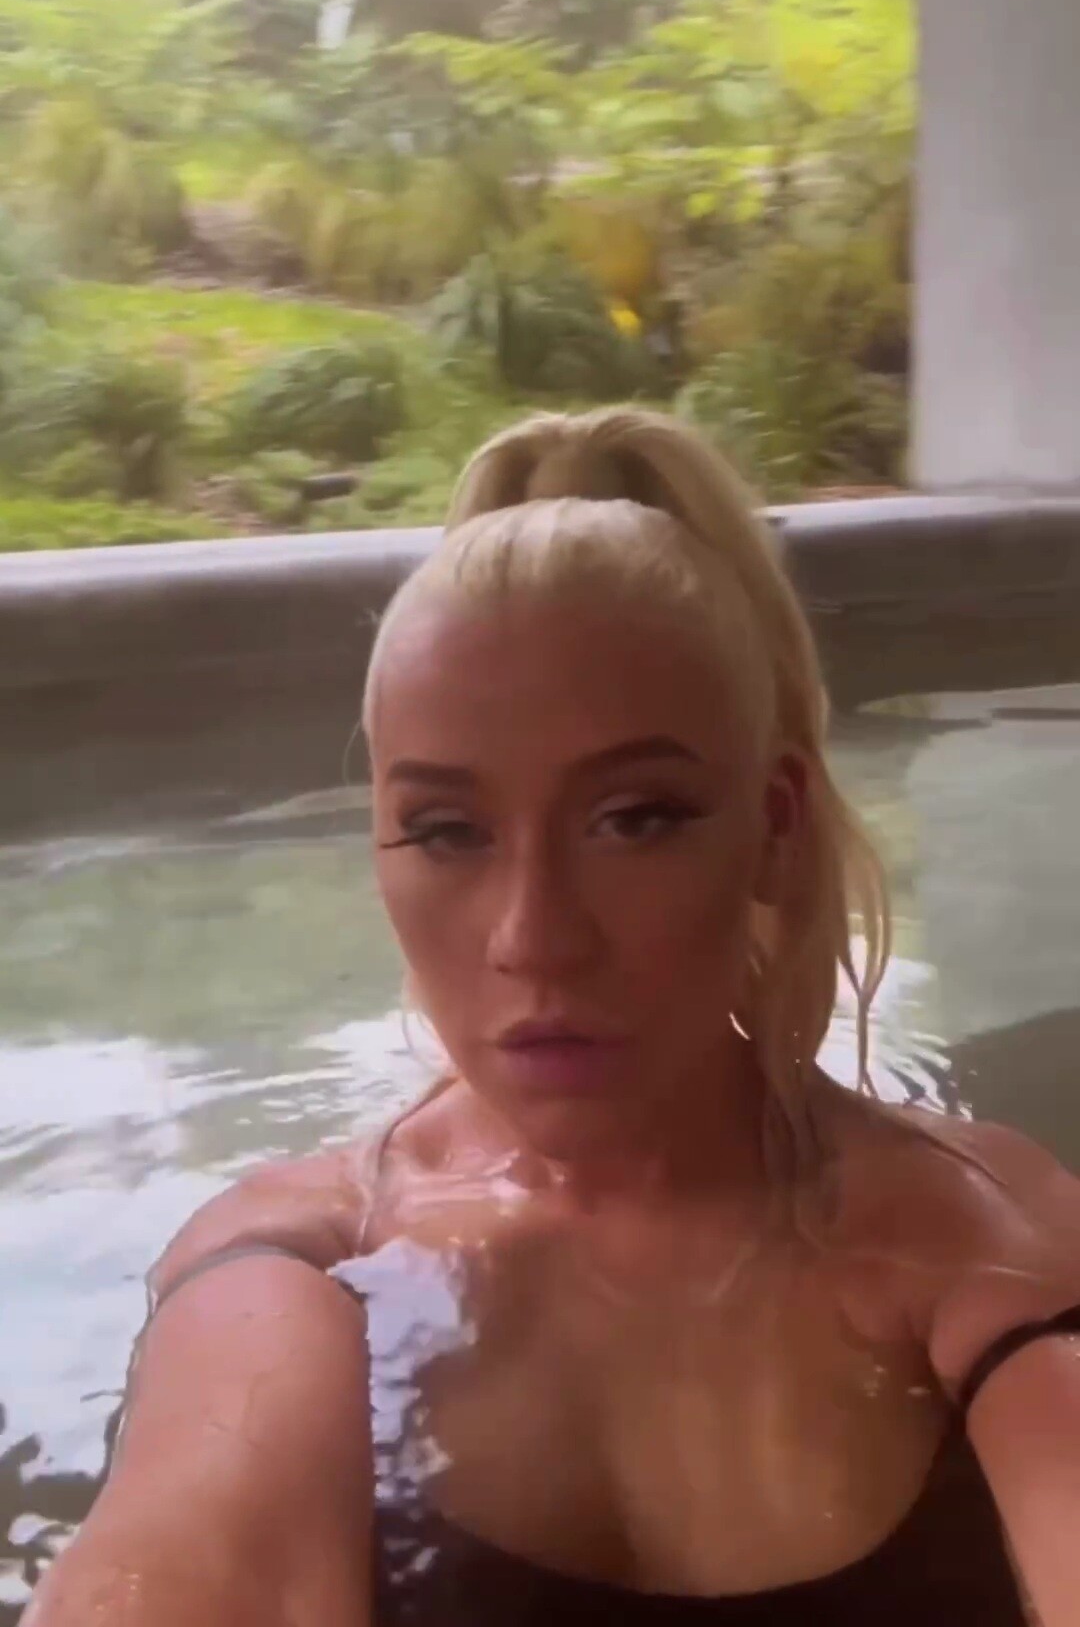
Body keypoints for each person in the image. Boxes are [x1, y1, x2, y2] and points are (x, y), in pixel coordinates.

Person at [27, 407, 1080, 1627]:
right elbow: (204, 1550)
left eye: (636, 818)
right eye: (446, 831)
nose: (532, 937)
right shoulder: (302, 1260)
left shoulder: (981, 1246)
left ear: (774, 826)